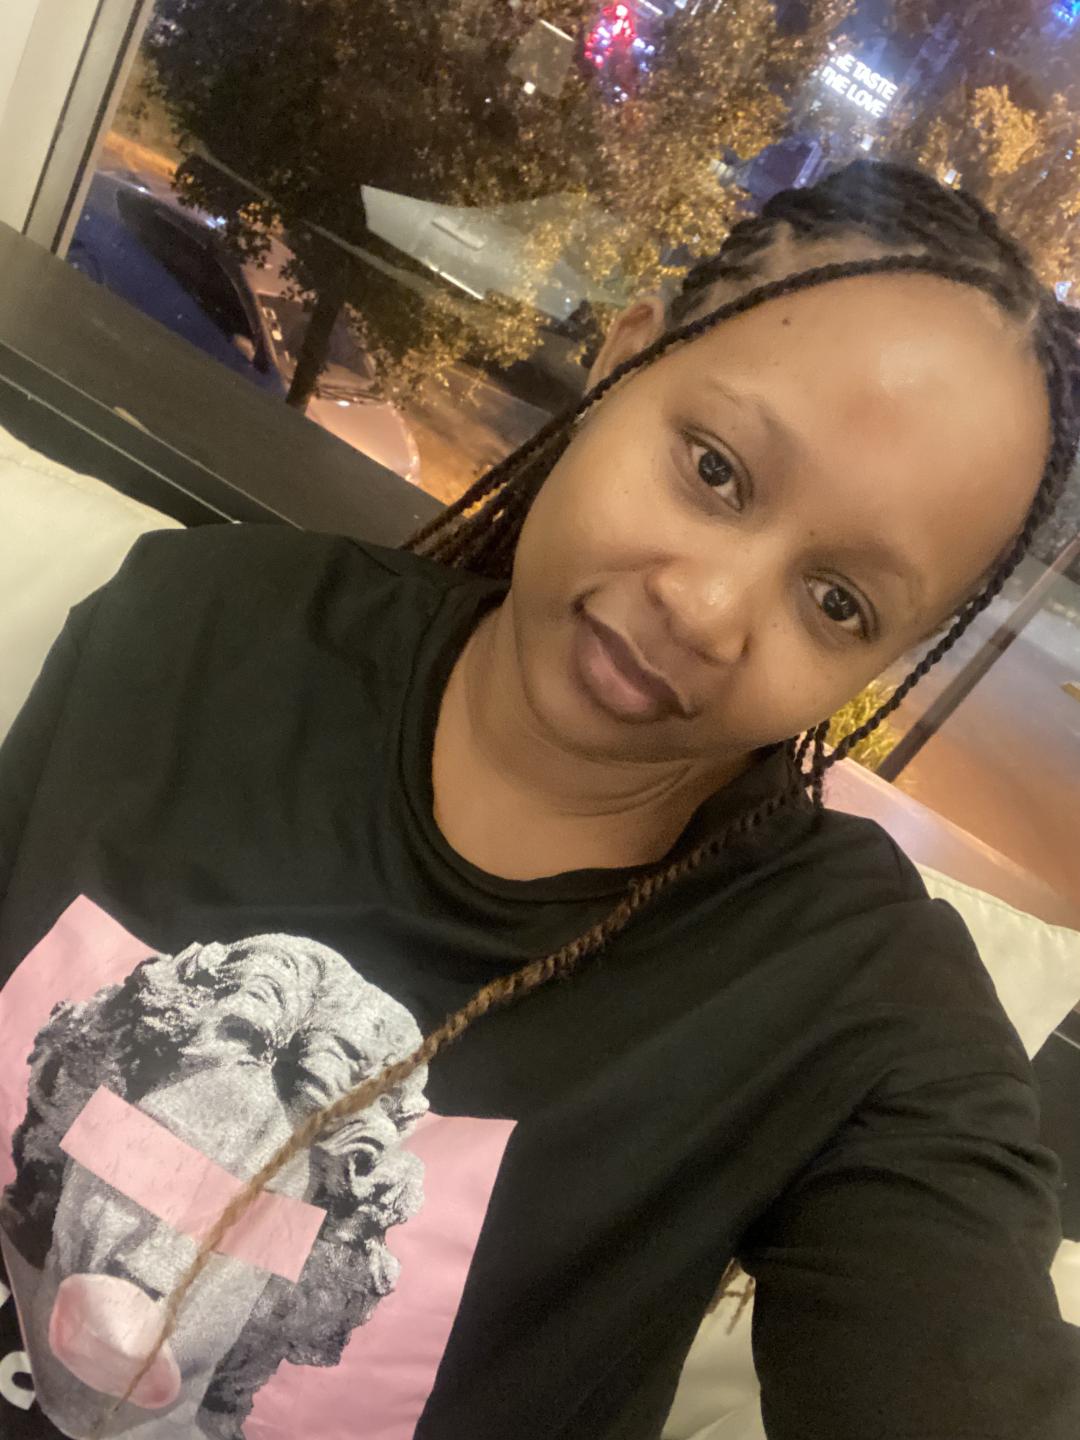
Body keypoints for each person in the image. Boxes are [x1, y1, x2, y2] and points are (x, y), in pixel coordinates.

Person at [0, 160, 1078, 1440]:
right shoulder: (199, 632)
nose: (707, 610)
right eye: (715, 469)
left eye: (838, 602)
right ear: (624, 357)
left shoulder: (856, 1002)